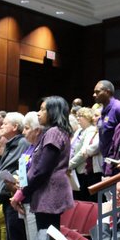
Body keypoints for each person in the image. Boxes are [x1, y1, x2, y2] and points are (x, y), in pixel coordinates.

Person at [10, 96, 74, 231]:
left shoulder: (53, 132)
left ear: (53, 112)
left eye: (43, 109)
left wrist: (23, 192)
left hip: (49, 193)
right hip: (49, 191)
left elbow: (42, 170)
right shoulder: (57, 132)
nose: (38, 113)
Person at [0, 112, 30, 240]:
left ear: (15, 127)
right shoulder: (10, 144)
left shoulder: (22, 143)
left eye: (5, 123)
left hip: (15, 200)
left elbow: (22, 168)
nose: (1, 125)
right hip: (7, 200)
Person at [68, 107, 102, 202]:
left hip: (83, 169)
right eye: (77, 116)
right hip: (75, 170)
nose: (78, 118)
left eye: (81, 116)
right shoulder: (79, 131)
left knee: (84, 199)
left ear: (88, 117)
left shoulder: (90, 130)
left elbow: (83, 152)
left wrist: (69, 165)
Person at [92, 80, 120, 160]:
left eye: (97, 92)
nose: (94, 95)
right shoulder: (103, 109)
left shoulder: (119, 108)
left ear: (107, 92)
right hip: (106, 158)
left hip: (118, 159)